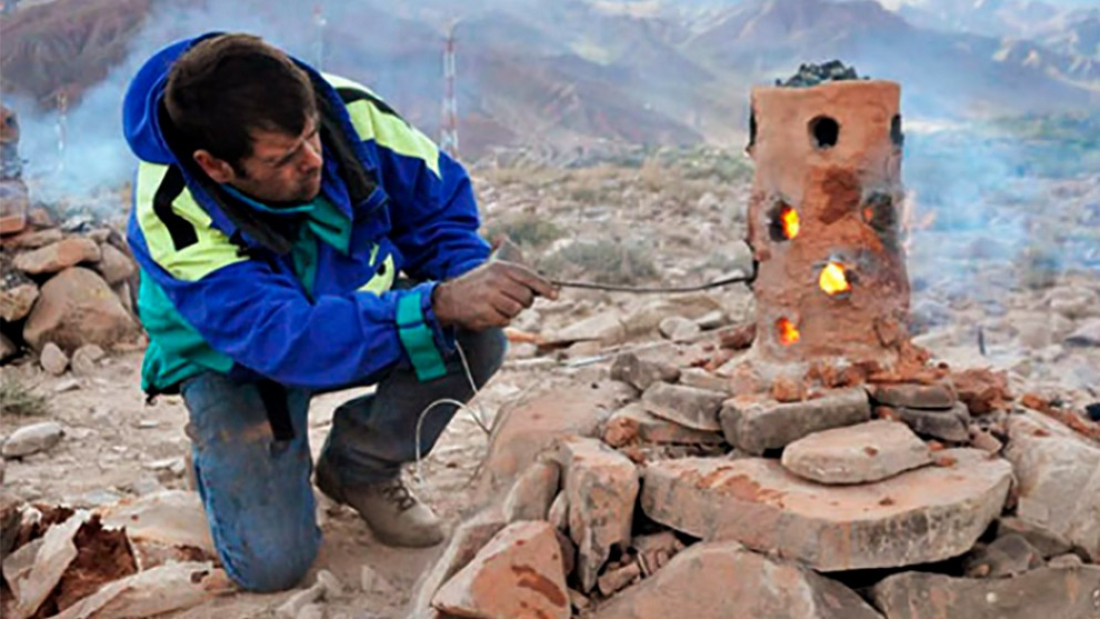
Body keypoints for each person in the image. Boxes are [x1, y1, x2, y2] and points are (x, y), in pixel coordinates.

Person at [122, 32, 556, 592]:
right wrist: (437, 303)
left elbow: (437, 213)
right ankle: (236, 455)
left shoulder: (345, 111)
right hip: (237, 358)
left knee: (474, 337)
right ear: (216, 166)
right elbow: (285, 340)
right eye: (284, 157)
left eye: (311, 136)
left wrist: (468, 278)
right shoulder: (172, 213)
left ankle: (360, 466)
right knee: (271, 565)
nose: (316, 161)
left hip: (344, 304)